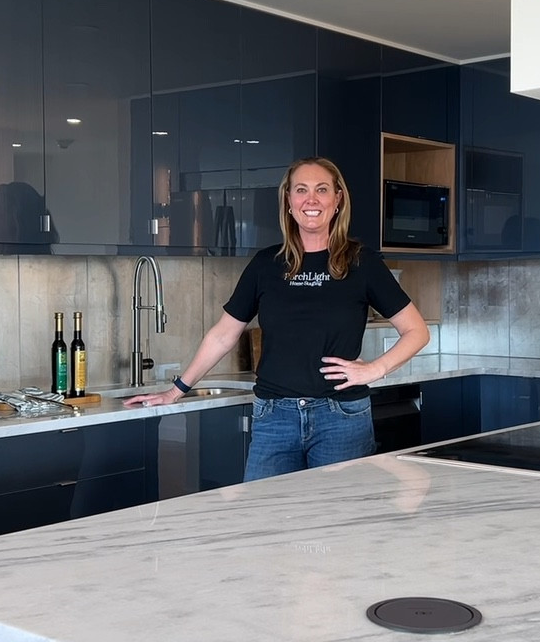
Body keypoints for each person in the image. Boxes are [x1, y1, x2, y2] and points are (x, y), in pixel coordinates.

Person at [124, 157, 430, 480]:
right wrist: (176, 390)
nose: (311, 200)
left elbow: (416, 331)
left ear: (337, 199)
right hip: (274, 419)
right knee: (263, 522)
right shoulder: (265, 265)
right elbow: (223, 335)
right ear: (288, 200)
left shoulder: (361, 263)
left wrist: (374, 369)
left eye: (321, 190)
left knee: (336, 525)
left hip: (341, 417)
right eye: (301, 190)